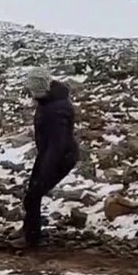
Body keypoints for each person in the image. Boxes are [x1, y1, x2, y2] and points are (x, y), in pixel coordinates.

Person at [19, 68, 79, 248]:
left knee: (33, 194)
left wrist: (45, 170)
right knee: (32, 193)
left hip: (60, 157)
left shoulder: (55, 108)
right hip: (49, 153)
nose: (31, 93)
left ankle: (31, 239)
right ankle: (30, 232)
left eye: (33, 89)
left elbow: (57, 145)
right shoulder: (49, 101)